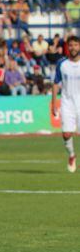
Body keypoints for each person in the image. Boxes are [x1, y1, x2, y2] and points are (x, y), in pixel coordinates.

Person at [51, 35, 80, 173]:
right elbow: (56, 83)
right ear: (68, 47)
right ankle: (72, 155)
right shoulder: (62, 63)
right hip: (67, 102)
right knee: (66, 134)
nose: (73, 47)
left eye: (75, 45)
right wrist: (53, 103)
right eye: (71, 45)